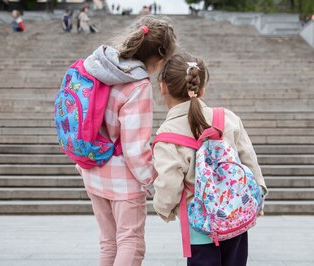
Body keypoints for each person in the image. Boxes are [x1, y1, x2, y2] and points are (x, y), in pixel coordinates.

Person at [75, 15, 177, 266]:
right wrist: (153, 181)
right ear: (160, 56)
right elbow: (134, 148)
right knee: (131, 242)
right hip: (123, 181)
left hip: (92, 169)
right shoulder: (137, 84)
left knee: (108, 243)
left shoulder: (98, 66)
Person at [153, 53, 268, 266]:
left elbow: (169, 184)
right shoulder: (228, 118)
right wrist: (258, 195)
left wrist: (164, 209)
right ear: (202, 88)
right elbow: (249, 162)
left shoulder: (167, 134)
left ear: (163, 87)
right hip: (235, 216)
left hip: (199, 225)